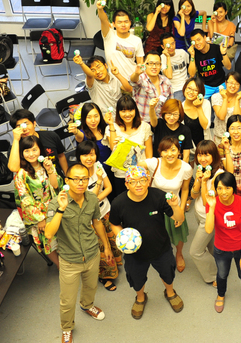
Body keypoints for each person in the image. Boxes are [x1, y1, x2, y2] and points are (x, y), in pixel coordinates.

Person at [44, 163, 113, 343]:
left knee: (91, 287)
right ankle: (67, 328)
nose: (81, 183)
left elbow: (97, 222)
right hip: (70, 260)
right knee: (67, 300)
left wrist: (106, 246)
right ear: (67, 181)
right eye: (76, 179)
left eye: (84, 179)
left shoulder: (92, 198)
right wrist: (61, 209)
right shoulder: (56, 203)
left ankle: (87, 306)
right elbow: (49, 234)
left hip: (92, 253)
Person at [108, 166, 185, 319]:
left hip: (161, 247)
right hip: (134, 253)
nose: (139, 184)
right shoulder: (118, 203)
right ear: (126, 184)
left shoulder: (159, 196)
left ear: (148, 181)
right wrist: (122, 238)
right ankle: (140, 297)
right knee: (136, 278)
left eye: (143, 180)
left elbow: (179, 219)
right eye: (133, 181)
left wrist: (175, 206)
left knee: (168, 273)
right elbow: (114, 224)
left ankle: (170, 292)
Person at [204, 172, 241, 316]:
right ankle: (221, 295)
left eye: (227, 188)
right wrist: (212, 207)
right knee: (222, 274)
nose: (223, 192)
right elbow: (209, 229)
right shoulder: (212, 203)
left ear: (233, 188)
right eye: (219, 188)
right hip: (221, 249)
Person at [76, 141, 122, 291]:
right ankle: (104, 276)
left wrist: (96, 199)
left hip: (105, 211)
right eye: (85, 155)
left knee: (112, 241)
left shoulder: (98, 166)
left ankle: (115, 263)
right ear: (79, 156)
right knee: (100, 248)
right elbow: (86, 201)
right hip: (90, 220)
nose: (89, 158)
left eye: (92, 154)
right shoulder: (77, 175)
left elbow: (109, 188)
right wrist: (99, 184)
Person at [144, 137, 193, 273]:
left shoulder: (186, 168)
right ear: (160, 152)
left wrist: (181, 211)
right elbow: (136, 166)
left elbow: (185, 190)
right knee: (156, 234)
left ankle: (179, 254)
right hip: (155, 207)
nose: (169, 154)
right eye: (165, 151)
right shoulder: (155, 163)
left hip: (173, 207)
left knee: (178, 234)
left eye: (173, 150)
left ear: (179, 151)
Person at [14, 136, 62, 268]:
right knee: (48, 241)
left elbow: (56, 186)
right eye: (27, 151)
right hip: (37, 213)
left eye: (34, 150)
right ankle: (60, 266)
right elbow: (25, 199)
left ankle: (67, 261)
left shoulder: (46, 165)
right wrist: (40, 219)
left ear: (40, 149)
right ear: (22, 153)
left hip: (54, 207)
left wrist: (50, 170)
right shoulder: (21, 173)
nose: (31, 154)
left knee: (61, 236)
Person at [104, 95, 153, 198]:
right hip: (121, 174)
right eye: (123, 111)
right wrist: (111, 125)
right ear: (118, 112)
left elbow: (149, 155)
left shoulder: (144, 126)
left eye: (130, 110)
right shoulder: (111, 128)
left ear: (135, 110)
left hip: (140, 174)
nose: (127, 114)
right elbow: (113, 148)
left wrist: (147, 174)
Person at [188, 141, 223, 285]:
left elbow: (206, 202)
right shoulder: (201, 170)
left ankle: (215, 276)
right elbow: (193, 195)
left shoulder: (219, 175)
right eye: (200, 155)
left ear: (214, 156)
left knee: (195, 251)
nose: (202, 159)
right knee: (211, 246)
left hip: (209, 218)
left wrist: (204, 182)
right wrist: (198, 178)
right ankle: (222, 266)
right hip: (199, 215)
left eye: (206, 155)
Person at [8, 109, 67, 175]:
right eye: (19, 126)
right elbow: (14, 168)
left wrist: (68, 175)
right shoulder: (15, 147)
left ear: (34, 123)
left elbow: (61, 156)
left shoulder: (51, 136)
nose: (24, 129)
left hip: (56, 177)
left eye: (26, 124)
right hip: (33, 180)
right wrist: (16, 140)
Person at [97, 1, 143, 78]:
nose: (123, 25)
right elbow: (103, 20)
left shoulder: (137, 40)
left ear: (130, 23)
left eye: (126, 22)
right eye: (119, 22)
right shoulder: (109, 35)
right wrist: (100, 9)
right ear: (114, 24)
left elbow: (140, 64)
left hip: (132, 78)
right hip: (114, 79)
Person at [129, 51, 173, 124]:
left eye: (157, 64)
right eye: (150, 63)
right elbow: (133, 81)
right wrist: (136, 73)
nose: (154, 67)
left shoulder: (166, 82)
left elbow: (170, 104)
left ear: (160, 65)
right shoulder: (141, 78)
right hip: (143, 123)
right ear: (145, 64)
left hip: (161, 123)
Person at [188, 29, 232, 99]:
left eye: (199, 39)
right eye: (194, 41)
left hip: (221, 83)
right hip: (205, 85)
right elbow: (192, 74)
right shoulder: (194, 53)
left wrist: (224, 53)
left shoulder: (216, 48)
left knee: (226, 102)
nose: (197, 43)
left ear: (205, 37)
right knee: (198, 103)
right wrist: (192, 56)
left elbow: (228, 67)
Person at [211, 72, 241, 145]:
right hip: (220, 136)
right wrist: (225, 98)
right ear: (225, 83)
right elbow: (221, 117)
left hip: (236, 136)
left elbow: (237, 119)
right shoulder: (216, 97)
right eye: (231, 83)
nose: (233, 86)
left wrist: (237, 100)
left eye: (236, 84)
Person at [182, 77, 212, 157]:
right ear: (184, 88)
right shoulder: (180, 107)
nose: (191, 92)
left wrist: (199, 107)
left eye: (196, 90)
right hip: (189, 149)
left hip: (206, 147)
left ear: (200, 93)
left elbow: (205, 126)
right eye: (189, 88)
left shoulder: (205, 104)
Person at [160, 32, 190, 101]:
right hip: (175, 89)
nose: (171, 47)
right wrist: (168, 57)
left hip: (187, 85)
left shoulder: (182, 52)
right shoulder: (162, 58)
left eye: (172, 43)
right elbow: (169, 76)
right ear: (163, 47)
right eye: (168, 45)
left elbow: (191, 66)